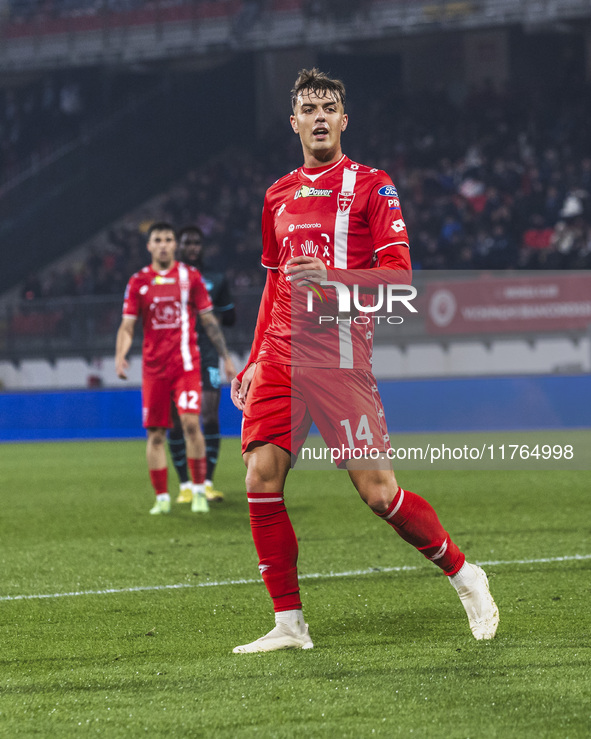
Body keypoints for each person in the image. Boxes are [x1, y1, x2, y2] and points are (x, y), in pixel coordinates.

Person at [230, 68, 499, 653]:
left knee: (379, 494)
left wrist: (332, 279)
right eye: (310, 108)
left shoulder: (373, 186)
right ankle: (289, 623)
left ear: (344, 120)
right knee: (260, 475)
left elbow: (400, 279)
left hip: (339, 357)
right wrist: (252, 360)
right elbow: (273, 284)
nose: (320, 116)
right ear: (294, 121)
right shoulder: (277, 194)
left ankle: (465, 575)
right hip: (279, 356)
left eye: (330, 107)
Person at [115, 222, 235, 515]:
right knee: (155, 434)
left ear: (173, 245)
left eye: (169, 239)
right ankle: (162, 497)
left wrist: (226, 357)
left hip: (187, 364)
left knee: (192, 424)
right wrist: (120, 355)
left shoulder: (189, 276)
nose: (164, 244)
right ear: (149, 246)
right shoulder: (138, 281)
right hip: (154, 369)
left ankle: (197, 491)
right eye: (158, 239)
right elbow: (128, 326)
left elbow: (208, 320)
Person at [168, 225, 237, 504]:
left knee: (208, 415)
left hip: (206, 354)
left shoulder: (215, 279)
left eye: (197, 243)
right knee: (176, 422)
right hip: (173, 355)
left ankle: (207, 483)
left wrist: (220, 315)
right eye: (188, 243)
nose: (192, 247)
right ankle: (185, 485)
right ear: (179, 246)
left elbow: (229, 317)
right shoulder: (166, 277)